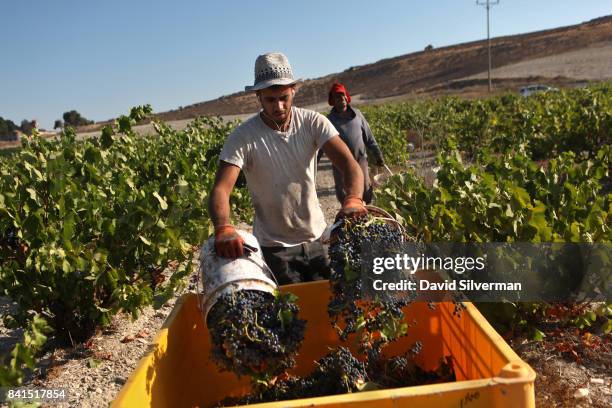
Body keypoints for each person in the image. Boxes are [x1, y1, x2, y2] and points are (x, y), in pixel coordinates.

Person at [208, 52, 367, 285]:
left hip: (318, 239)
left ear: (293, 90)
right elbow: (221, 189)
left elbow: (350, 165)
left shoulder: (313, 123)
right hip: (274, 249)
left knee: (331, 305)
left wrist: (353, 199)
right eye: (271, 100)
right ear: (258, 96)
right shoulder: (243, 137)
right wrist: (223, 227)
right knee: (293, 315)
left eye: (284, 97)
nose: (279, 106)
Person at [319, 83, 385, 204]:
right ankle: (349, 219)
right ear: (332, 100)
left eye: (343, 96)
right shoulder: (329, 121)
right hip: (340, 164)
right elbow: (322, 145)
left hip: (361, 160)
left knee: (366, 190)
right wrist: (314, 162)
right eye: (337, 97)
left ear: (347, 97)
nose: (342, 99)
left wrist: (378, 155)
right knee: (344, 194)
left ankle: (367, 215)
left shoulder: (358, 115)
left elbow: (369, 138)